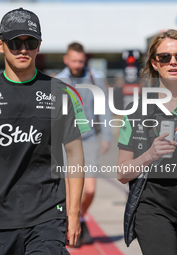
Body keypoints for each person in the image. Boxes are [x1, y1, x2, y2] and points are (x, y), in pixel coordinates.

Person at [0, 8, 89, 254]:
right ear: (1, 44)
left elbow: (75, 155)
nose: (23, 49)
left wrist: (73, 212)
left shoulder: (62, 93)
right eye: (15, 42)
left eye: (30, 42)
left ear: (39, 46)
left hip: (47, 214)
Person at [117, 29, 177, 255]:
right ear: (154, 63)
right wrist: (149, 156)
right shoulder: (135, 110)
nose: (172, 62)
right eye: (164, 57)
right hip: (153, 203)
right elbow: (122, 173)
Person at [56, 42, 112, 246]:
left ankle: (77, 218)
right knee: (71, 189)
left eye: (81, 60)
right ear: (66, 60)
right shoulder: (58, 80)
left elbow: (103, 107)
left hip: (88, 139)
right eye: (74, 60)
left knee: (89, 190)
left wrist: (106, 135)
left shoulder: (95, 78)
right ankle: (71, 226)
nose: (78, 64)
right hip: (66, 141)